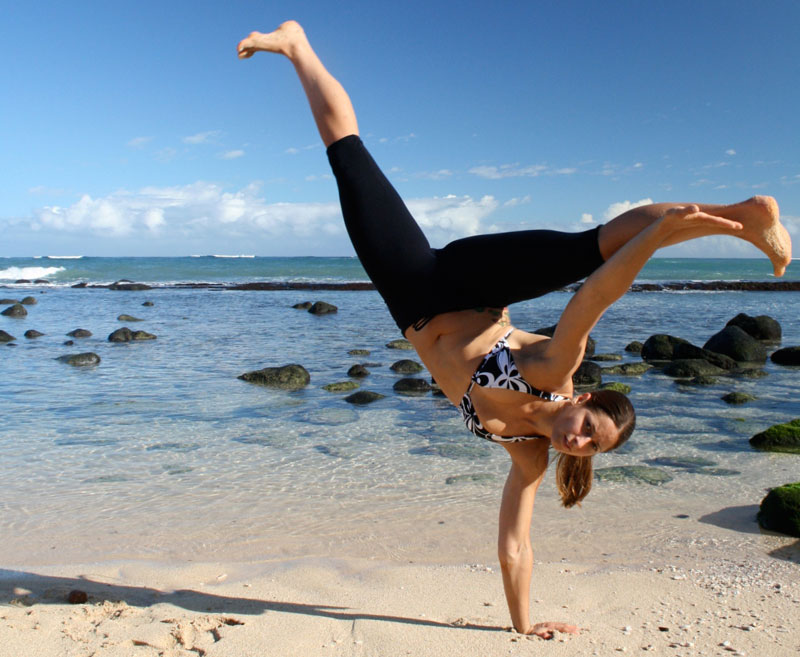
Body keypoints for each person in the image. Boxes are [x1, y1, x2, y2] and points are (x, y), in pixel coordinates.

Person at [237, 21, 792, 639]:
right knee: (593, 247)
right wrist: (656, 240)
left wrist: (524, 626)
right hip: (472, 286)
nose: (580, 442)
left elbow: (514, 545)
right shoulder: (555, 372)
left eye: (592, 447)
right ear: (581, 402)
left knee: (347, 155)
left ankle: (295, 44)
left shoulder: (528, 456)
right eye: (590, 428)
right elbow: (595, 295)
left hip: (411, 289)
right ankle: (739, 217)